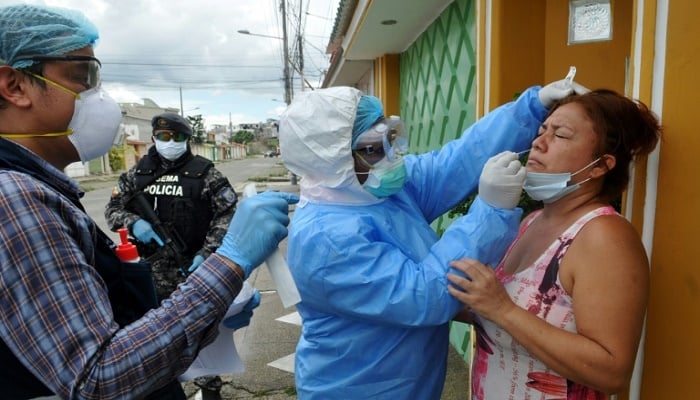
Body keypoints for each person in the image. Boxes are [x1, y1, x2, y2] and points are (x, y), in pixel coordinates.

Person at [0, 4, 297, 399]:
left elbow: (98, 342)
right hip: (165, 276)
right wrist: (230, 263)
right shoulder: (16, 198)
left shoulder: (202, 171)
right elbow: (100, 378)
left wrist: (211, 283)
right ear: (15, 86)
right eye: (82, 76)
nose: (97, 96)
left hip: (191, 272)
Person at [277, 79, 585, 399]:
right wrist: (489, 213)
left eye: (390, 135)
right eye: (372, 148)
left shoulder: (374, 186)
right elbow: (424, 296)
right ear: (333, 161)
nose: (391, 153)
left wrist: (530, 108)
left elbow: (455, 163)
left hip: (407, 381)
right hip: (358, 387)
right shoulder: (327, 239)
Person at [446, 89, 661, 399]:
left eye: (560, 135)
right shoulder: (531, 223)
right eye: (542, 130)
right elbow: (501, 312)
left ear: (601, 166)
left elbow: (612, 371)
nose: (538, 142)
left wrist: (501, 308)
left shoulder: (604, 237)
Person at [104, 111, 246, 398]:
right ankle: (165, 386)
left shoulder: (205, 173)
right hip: (148, 271)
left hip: (193, 268)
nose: (170, 142)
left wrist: (207, 253)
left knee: (204, 331)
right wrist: (134, 222)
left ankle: (209, 386)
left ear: (187, 140)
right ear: (154, 138)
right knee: (152, 334)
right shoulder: (136, 174)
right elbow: (112, 211)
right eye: (164, 137)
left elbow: (228, 214)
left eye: (178, 137)